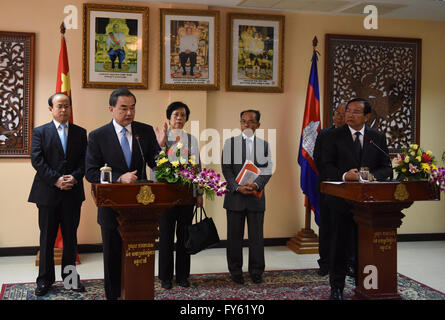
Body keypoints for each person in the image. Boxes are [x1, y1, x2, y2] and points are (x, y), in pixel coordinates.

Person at [85, 88, 160, 300]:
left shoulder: (144, 132)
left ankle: (138, 292)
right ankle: (113, 295)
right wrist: (119, 177)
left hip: (141, 209)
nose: (129, 113)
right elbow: (91, 172)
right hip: (112, 208)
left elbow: (158, 163)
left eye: (133, 107)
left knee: (138, 256)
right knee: (113, 257)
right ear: (111, 109)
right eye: (123, 108)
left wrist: (172, 162)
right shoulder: (98, 136)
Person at [321, 98, 392, 300]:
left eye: (356, 112)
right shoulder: (333, 136)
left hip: (368, 204)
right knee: (338, 245)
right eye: (348, 111)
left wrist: (373, 176)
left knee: (365, 246)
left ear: (367, 116)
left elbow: (386, 166)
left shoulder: (376, 137)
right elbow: (326, 165)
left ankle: (367, 285)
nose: (350, 115)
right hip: (340, 200)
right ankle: (336, 287)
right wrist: (345, 175)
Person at [28, 93, 87, 296]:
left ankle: (70, 280)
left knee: (70, 238)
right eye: (59, 106)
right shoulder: (40, 132)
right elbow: (37, 160)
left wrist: (74, 177)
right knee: (47, 238)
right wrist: (56, 179)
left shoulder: (80, 133)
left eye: (67, 106)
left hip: (72, 193)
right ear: (50, 109)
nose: (63, 110)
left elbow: (85, 161)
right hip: (47, 193)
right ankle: (44, 280)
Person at [154, 101, 203, 290]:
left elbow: (197, 168)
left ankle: (183, 276)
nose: (179, 119)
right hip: (165, 197)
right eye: (176, 115)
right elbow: (154, 167)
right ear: (169, 117)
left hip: (185, 197)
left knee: (184, 237)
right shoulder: (161, 138)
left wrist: (198, 193)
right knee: (165, 238)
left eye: (183, 115)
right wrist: (160, 145)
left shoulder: (192, 140)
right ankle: (165, 277)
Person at [221, 110, 273, 285]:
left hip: (255, 197)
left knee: (256, 238)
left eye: (251, 122)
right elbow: (226, 169)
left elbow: (267, 170)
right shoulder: (230, 144)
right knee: (234, 238)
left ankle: (256, 271)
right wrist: (237, 187)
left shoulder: (264, 145)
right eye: (243, 121)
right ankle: (235, 271)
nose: (246, 125)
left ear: (258, 125)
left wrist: (256, 185)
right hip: (235, 197)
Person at [313, 103, 346, 276]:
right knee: (326, 227)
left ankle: (347, 263)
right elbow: (317, 158)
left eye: (343, 114)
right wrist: (332, 176)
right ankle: (324, 263)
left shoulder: (351, 136)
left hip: (348, 189)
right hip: (327, 185)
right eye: (337, 113)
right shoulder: (324, 134)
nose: (339, 117)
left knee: (345, 228)